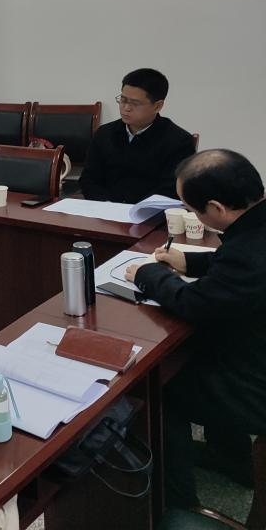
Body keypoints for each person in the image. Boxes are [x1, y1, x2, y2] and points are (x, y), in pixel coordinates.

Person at [125, 150, 266, 508]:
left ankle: (176, 505)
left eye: (192, 209)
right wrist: (187, 260)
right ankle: (230, 458)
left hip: (257, 386)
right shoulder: (255, 226)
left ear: (216, 208)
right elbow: (235, 263)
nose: (191, 215)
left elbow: (195, 304)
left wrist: (148, 273)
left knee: (160, 389)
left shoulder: (248, 254)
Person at [80, 68, 195, 203]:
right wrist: (106, 204)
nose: (126, 108)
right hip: (104, 209)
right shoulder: (104, 133)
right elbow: (89, 179)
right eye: (123, 100)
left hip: (150, 212)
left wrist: (137, 209)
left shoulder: (179, 142)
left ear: (157, 106)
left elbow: (171, 189)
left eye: (135, 103)